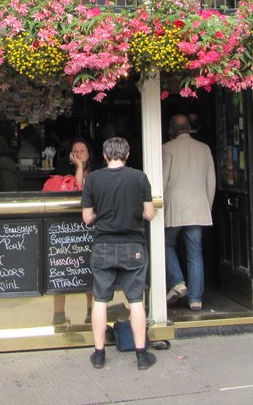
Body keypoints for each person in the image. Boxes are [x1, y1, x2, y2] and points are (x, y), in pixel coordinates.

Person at [81, 137, 156, 371]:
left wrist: (98, 216)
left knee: (101, 300)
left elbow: (87, 218)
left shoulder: (93, 179)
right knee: (135, 300)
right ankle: (142, 355)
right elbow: (150, 214)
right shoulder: (139, 177)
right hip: (133, 245)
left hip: (104, 245)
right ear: (127, 154)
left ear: (104, 156)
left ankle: (99, 354)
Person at [162, 114, 216, 311]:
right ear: (189, 128)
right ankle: (195, 299)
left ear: (172, 129)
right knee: (195, 253)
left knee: (166, 244)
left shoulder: (167, 148)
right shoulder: (204, 148)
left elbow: (163, 179)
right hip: (198, 207)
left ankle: (177, 283)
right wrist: (206, 206)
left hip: (175, 207)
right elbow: (211, 182)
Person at [52, 138, 95, 326]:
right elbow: (75, 194)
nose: (78, 153)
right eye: (74, 150)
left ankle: (91, 311)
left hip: (89, 227)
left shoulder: (97, 174)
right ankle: (59, 314)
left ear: (89, 154)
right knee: (62, 270)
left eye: (82, 150)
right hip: (66, 228)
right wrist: (78, 168)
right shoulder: (62, 173)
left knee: (89, 268)